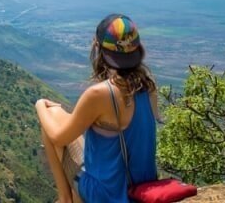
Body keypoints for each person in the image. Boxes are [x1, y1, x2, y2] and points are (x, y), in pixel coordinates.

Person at [35, 14, 160, 203]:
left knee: (51, 116)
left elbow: (58, 137)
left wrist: (40, 106)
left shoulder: (99, 94)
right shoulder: (149, 87)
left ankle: (65, 198)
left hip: (106, 195)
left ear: (98, 49)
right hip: (142, 192)